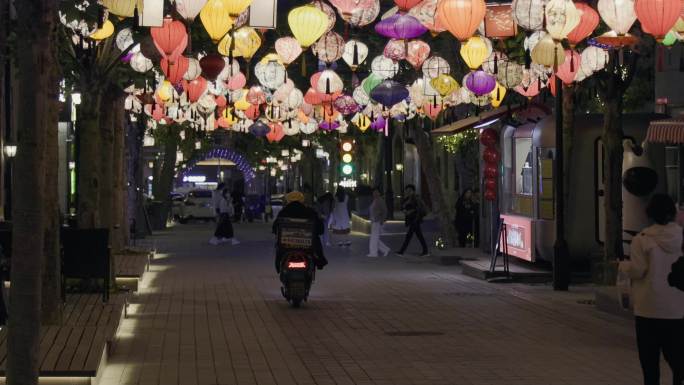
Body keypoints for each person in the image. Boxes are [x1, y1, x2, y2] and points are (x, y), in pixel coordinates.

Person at [619, 194, 684, 385]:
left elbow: (638, 271)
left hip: (648, 309)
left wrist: (623, 266)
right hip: (677, 309)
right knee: (678, 361)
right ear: (673, 213)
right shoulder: (681, 238)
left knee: (650, 365)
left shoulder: (642, 240)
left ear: (650, 215)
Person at [273, 191, 328, 272]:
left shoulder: (283, 212)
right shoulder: (310, 212)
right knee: (316, 240)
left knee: (278, 246)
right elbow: (320, 230)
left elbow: (275, 228)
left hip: (286, 246)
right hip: (307, 246)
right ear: (302, 200)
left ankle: (278, 267)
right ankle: (320, 262)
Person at [396, 184, 429, 257]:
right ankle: (425, 251)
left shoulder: (416, 198)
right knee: (418, 236)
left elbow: (418, 208)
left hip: (415, 219)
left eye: (409, 190)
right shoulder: (408, 198)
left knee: (409, 236)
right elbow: (403, 206)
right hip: (412, 220)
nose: (408, 192)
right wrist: (405, 210)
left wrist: (410, 211)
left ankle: (401, 251)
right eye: (407, 190)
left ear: (413, 191)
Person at [368, 188, 390, 257]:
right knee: (375, 238)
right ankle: (385, 249)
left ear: (379, 193)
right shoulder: (375, 200)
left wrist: (382, 220)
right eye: (374, 192)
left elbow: (385, 211)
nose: (375, 193)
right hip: (374, 221)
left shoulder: (380, 200)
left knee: (374, 238)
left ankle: (374, 253)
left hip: (378, 221)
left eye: (376, 192)